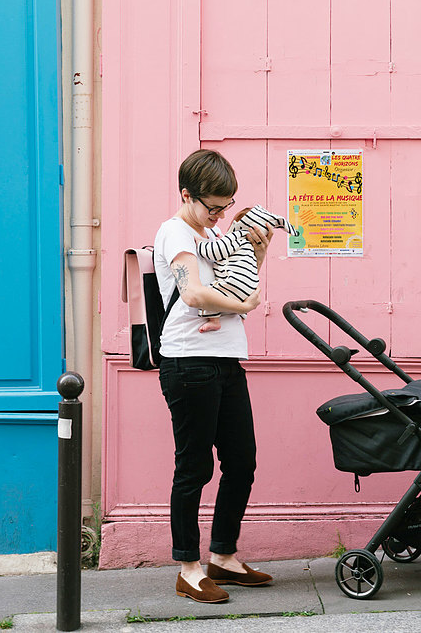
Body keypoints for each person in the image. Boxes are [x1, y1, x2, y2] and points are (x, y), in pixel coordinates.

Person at [153, 149, 275, 604]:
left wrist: (258, 255)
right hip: (188, 363)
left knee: (242, 461)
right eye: (214, 206)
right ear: (187, 195)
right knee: (194, 467)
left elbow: (238, 282)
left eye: (228, 205)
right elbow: (193, 293)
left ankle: (223, 556)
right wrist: (245, 307)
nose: (222, 215)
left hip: (226, 360)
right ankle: (188, 565)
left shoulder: (214, 233)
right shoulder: (175, 232)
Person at [195, 204, 298, 333]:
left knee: (209, 295)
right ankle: (241, 318)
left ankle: (214, 320)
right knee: (239, 295)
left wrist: (200, 244)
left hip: (232, 282)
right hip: (250, 287)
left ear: (238, 225)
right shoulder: (250, 248)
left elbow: (215, 251)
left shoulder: (237, 236)